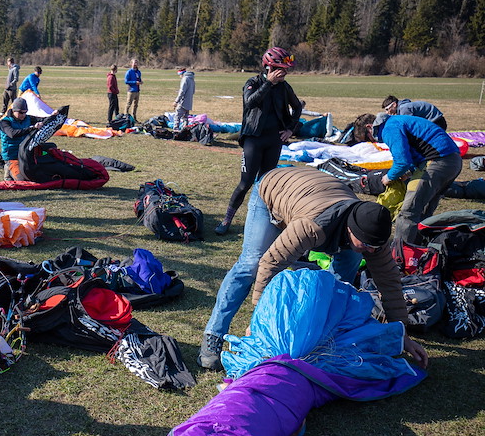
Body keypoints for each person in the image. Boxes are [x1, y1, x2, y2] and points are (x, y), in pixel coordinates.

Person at [198, 166, 429, 371]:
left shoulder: (371, 235)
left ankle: (320, 332)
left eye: (374, 247)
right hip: (274, 188)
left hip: (314, 191)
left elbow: (389, 282)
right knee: (252, 263)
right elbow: (271, 265)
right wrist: (261, 320)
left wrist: (403, 334)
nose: (370, 251)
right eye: (366, 246)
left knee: (341, 280)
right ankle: (214, 334)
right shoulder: (311, 228)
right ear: (351, 231)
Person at [215, 47, 302, 236]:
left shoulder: (285, 87)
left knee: (266, 184)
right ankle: (227, 219)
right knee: (245, 183)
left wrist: (290, 129)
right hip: (253, 140)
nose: (285, 73)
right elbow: (250, 103)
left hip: (274, 140)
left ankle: (261, 222)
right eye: (281, 69)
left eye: (286, 70)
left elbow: (297, 107)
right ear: (269, 67)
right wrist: (268, 84)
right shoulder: (253, 82)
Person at [355, 112, 462, 244]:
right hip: (453, 161)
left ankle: (401, 253)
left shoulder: (389, 127)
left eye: (369, 138)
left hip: (437, 161)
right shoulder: (397, 121)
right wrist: (410, 171)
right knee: (424, 209)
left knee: (408, 212)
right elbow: (414, 152)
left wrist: (389, 177)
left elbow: (402, 161)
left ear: (369, 127)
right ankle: (418, 246)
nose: (373, 141)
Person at [0, 96, 57, 181]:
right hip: (13, 157)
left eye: (25, 112)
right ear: (14, 110)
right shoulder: (4, 122)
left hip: (26, 154)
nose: (23, 115)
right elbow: (12, 134)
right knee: (22, 180)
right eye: (21, 112)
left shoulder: (28, 118)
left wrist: (53, 115)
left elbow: (43, 120)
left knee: (50, 148)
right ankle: (9, 170)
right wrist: (32, 128)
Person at [382, 96, 446, 130]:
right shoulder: (404, 107)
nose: (387, 112)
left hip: (436, 122)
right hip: (435, 120)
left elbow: (409, 126)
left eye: (387, 109)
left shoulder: (404, 108)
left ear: (394, 104)